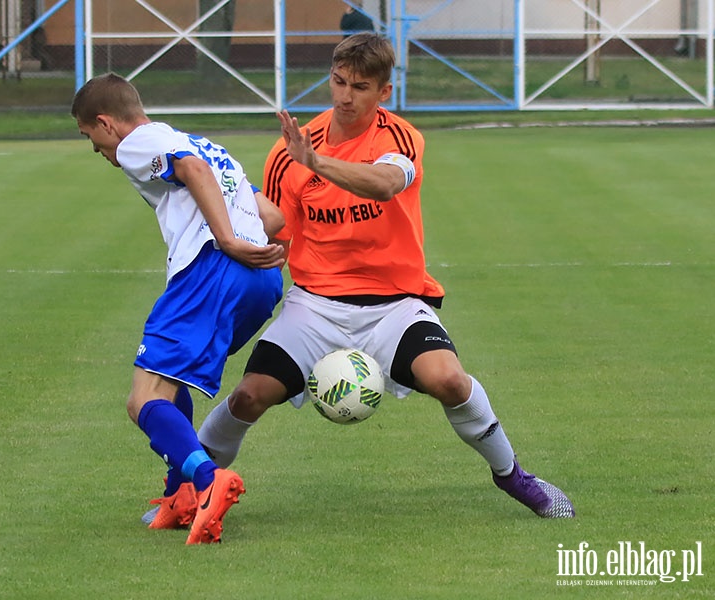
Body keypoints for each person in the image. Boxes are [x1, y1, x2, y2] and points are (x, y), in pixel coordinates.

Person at [197, 33, 575, 520]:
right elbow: (277, 236)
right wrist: (233, 230)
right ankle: (190, 490)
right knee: (248, 396)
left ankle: (514, 477)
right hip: (315, 305)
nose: (345, 96)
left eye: (360, 86)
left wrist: (316, 162)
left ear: (384, 93)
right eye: (338, 82)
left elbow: (385, 184)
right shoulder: (287, 152)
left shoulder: (398, 138)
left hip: (393, 305)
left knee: (450, 381)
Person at [71, 73, 286, 544]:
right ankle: (181, 492)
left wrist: (227, 240)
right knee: (173, 380)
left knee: (142, 399)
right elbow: (273, 218)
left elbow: (191, 170)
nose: (102, 155)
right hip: (262, 279)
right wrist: (252, 245)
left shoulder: (138, 143)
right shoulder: (205, 143)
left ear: (106, 124)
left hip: (215, 265)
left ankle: (209, 480)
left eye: (93, 141)